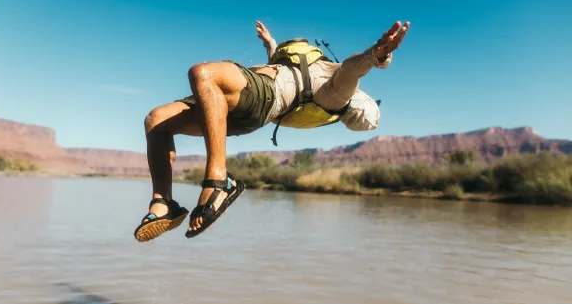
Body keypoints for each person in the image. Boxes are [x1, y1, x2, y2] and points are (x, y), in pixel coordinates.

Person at [133, 20, 410, 241]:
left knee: (203, 73)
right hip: (235, 106)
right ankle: (163, 203)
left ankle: (218, 182)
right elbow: (288, 71)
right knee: (156, 121)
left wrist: (376, 54)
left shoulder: (337, 96)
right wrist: (271, 43)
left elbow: (351, 70)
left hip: (261, 98)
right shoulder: (319, 75)